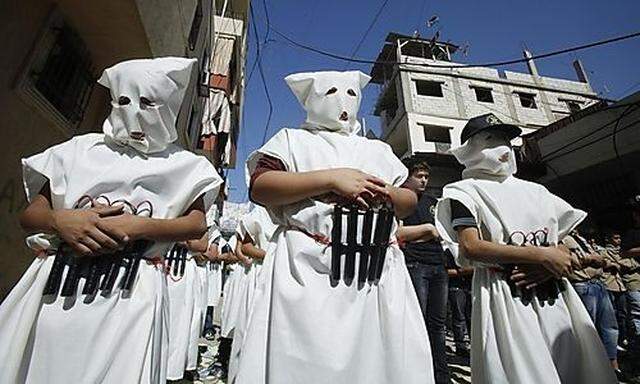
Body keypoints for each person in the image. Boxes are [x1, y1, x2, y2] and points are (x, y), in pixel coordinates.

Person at [0, 57, 222, 384]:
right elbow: (31, 215)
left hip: (133, 290)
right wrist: (60, 221)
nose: (133, 111)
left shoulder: (187, 166)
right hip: (60, 282)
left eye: (147, 102)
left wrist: (141, 226)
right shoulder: (78, 151)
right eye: (122, 101)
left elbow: (195, 225)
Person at [236, 70, 434, 383]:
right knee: (308, 361)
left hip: (376, 269)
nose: (342, 101)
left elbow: (407, 201)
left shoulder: (378, 150)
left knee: (379, 360)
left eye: (352, 93)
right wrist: (330, 179)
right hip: (308, 268)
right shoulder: (292, 140)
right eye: (330, 92)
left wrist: (388, 193)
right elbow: (261, 187)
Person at [435, 113, 616, 383]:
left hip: (555, 292)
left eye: (506, 139)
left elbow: (561, 244)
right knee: (524, 369)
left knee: (571, 365)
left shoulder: (538, 192)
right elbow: (471, 247)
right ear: (470, 150)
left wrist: (549, 265)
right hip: (504, 290)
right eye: (490, 139)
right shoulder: (462, 192)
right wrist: (541, 256)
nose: (503, 147)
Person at [396, 157, 449, 384]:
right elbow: (397, 234)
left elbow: (445, 233)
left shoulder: (433, 202)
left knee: (438, 326)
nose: (424, 181)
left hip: (438, 266)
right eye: (419, 176)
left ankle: (441, 376)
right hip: (415, 265)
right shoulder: (399, 201)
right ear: (406, 177)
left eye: (426, 177)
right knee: (416, 324)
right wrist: (427, 230)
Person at [563, 230, 622, 377]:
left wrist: (599, 260)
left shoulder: (580, 238)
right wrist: (591, 259)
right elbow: (574, 261)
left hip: (598, 284)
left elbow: (599, 258)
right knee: (588, 329)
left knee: (610, 327)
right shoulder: (563, 238)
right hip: (582, 286)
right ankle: (590, 370)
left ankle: (613, 367)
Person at [228, 207, 277, 383]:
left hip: (284, 271)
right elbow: (246, 247)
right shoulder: (259, 214)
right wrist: (273, 255)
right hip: (260, 272)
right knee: (252, 326)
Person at [445, 247, 473, 358]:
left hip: (469, 285)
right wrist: (463, 271)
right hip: (456, 286)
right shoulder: (448, 250)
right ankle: (461, 346)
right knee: (458, 317)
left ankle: (474, 343)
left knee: (472, 317)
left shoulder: (466, 250)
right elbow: (445, 271)